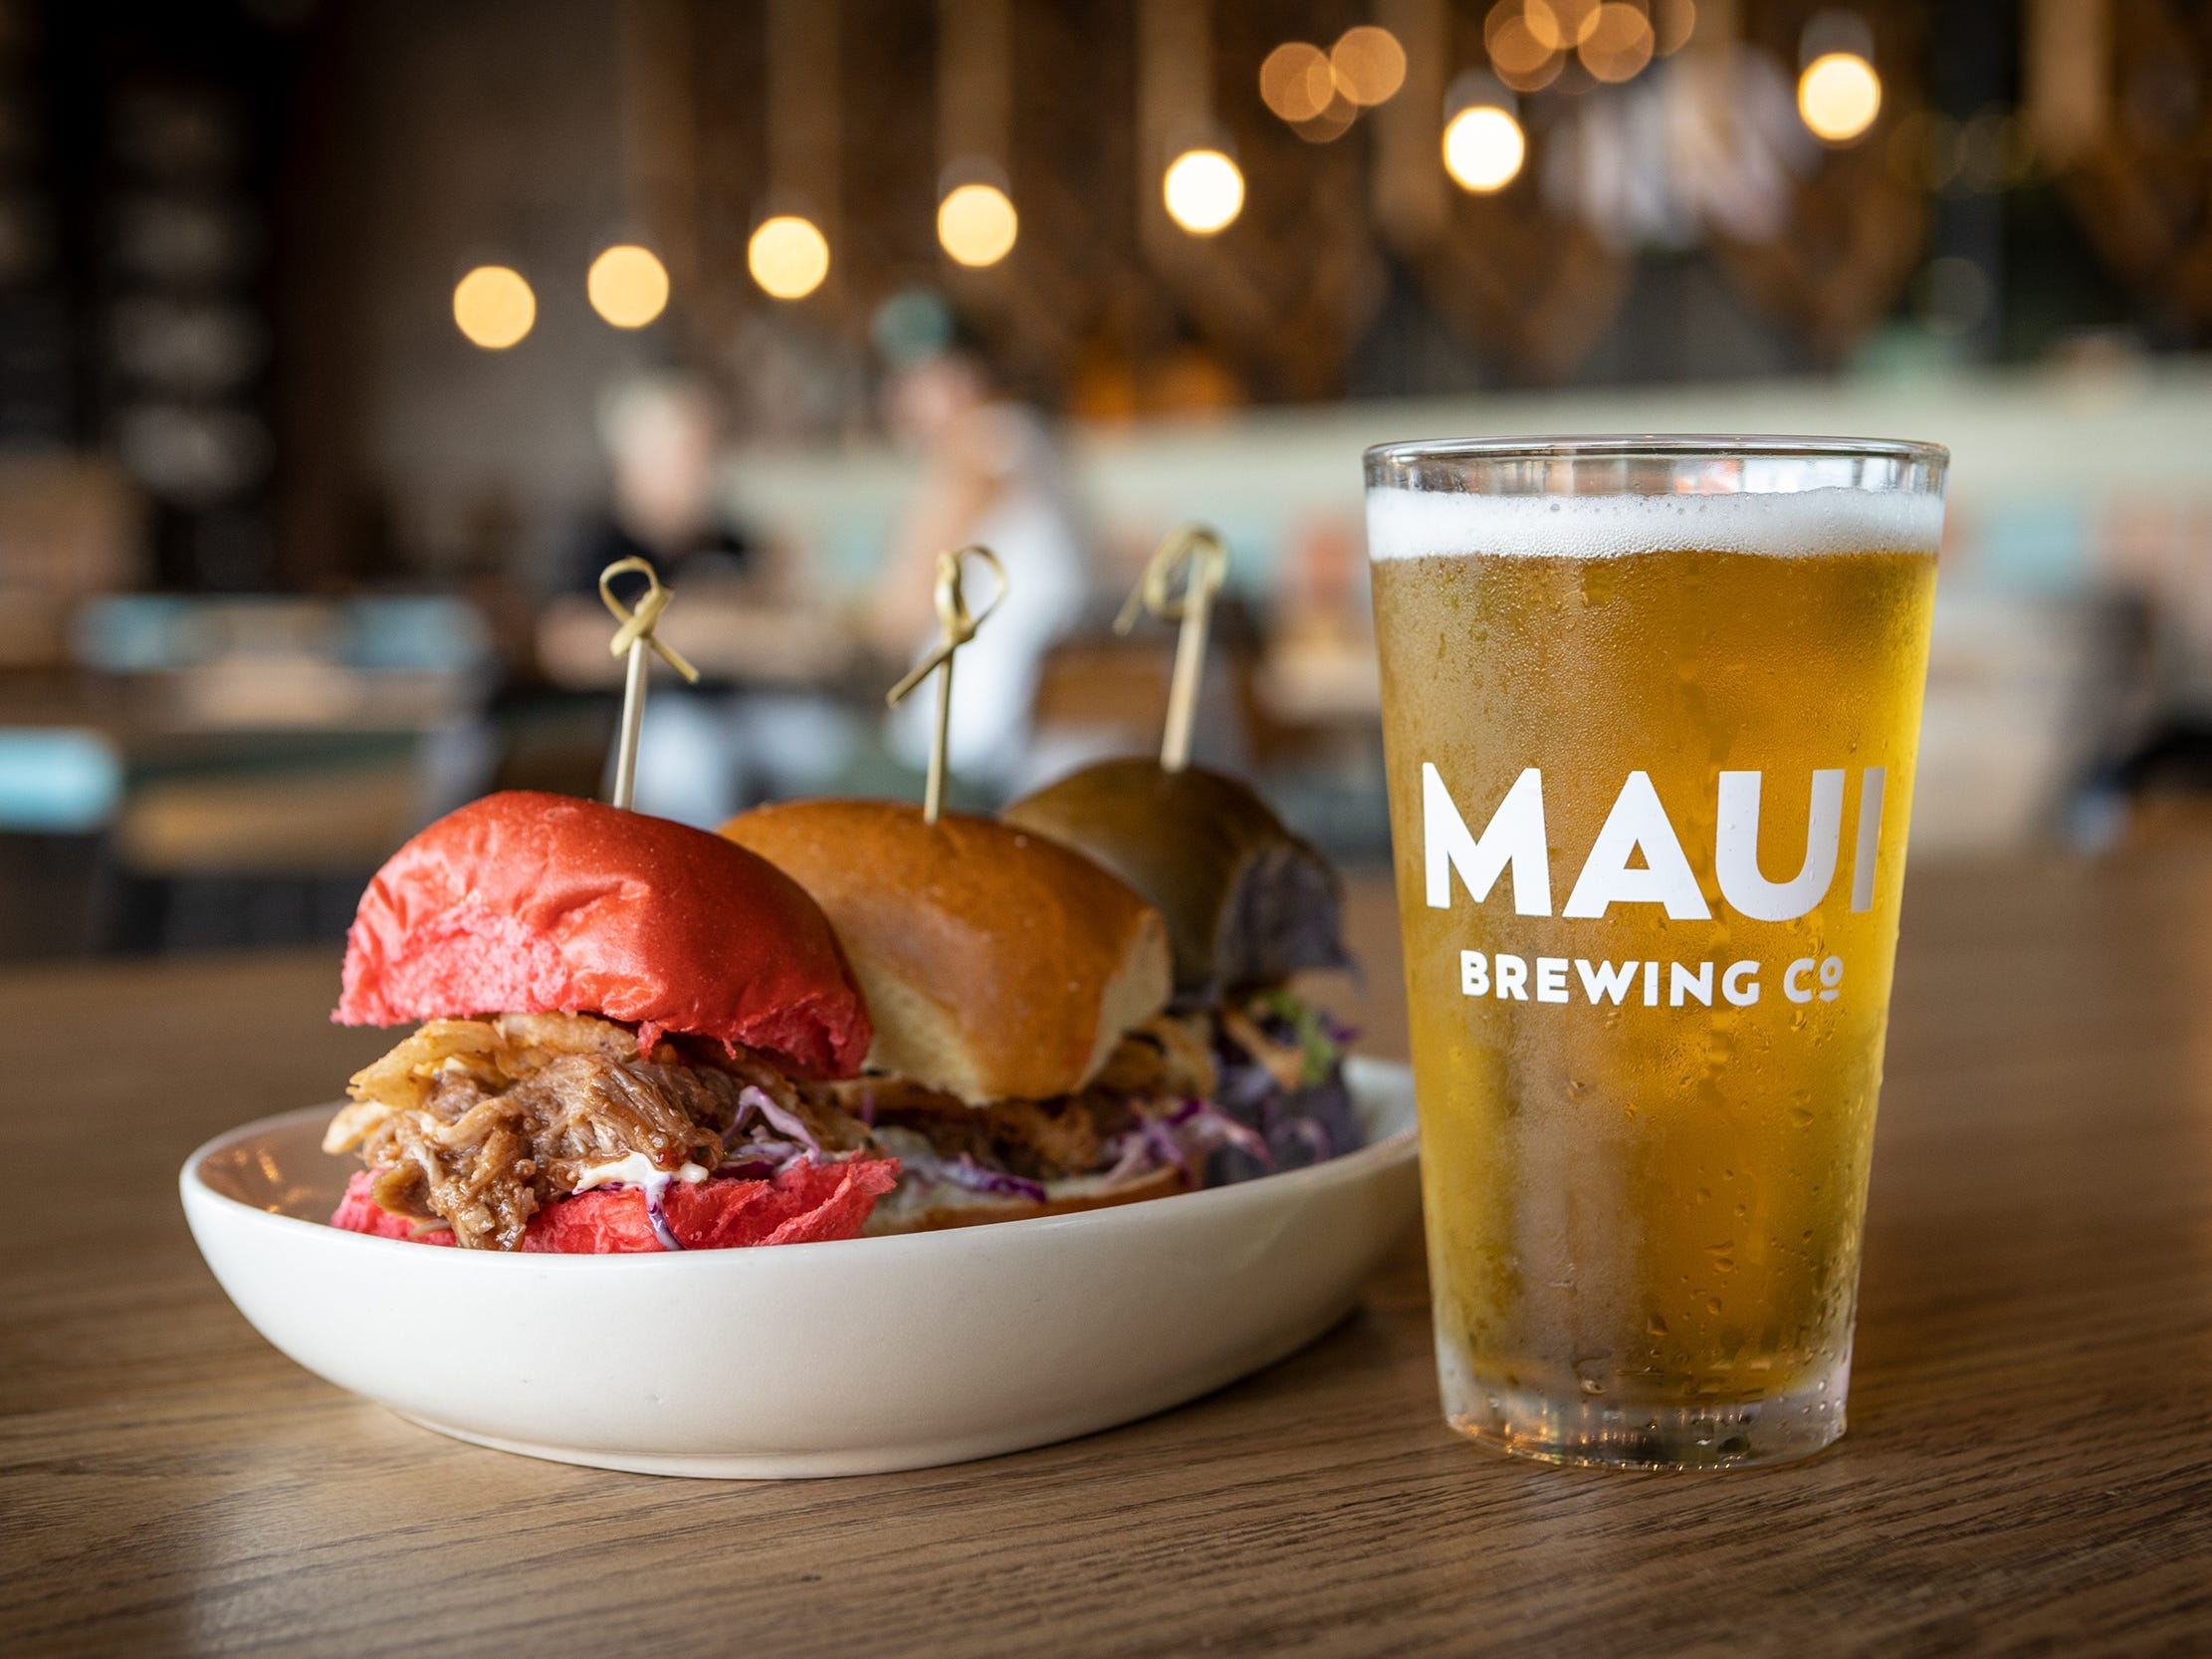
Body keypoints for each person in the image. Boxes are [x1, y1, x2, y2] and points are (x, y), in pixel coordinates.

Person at [868, 305, 1088, 794]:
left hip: (983, 746)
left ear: (968, 377)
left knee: (828, 776)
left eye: (918, 379)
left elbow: (900, 609)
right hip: (1049, 722)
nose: (899, 398)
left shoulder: (975, 452)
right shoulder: (1033, 439)